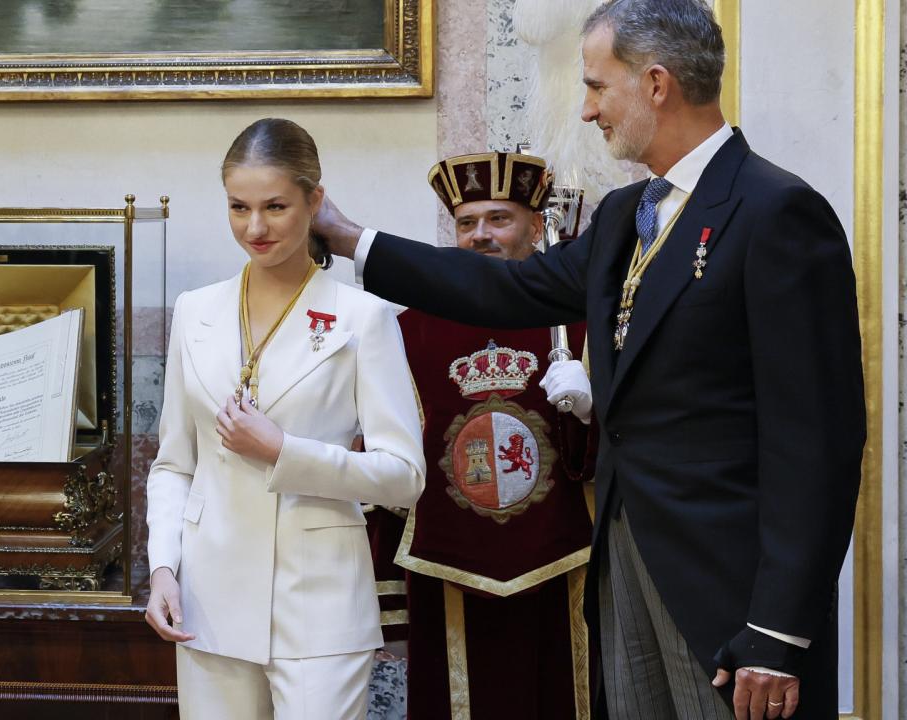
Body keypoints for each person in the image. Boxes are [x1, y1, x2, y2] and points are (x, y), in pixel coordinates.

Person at [312, 1, 866, 718]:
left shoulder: (775, 211)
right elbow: (508, 289)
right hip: (626, 567)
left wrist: (780, 628)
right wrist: (354, 239)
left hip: (729, 595)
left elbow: (818, 441)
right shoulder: (625, 215)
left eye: (598, 87)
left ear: (657, 84)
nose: (585, 111)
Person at [144, 117, 426, 720]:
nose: (255, 227)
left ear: (314, 200)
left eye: (275, 206)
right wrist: (163, 567)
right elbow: (173, 463)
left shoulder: (363, 318)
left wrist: (284, 451)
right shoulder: (194, 312)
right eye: (238, 207)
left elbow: (404, 476)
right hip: (207, 601)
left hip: (318, 602)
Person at [392, 151, 598, 719]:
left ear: (537, 227)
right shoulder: (407, 332)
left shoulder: (582, 324)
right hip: (447, 567)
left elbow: (634, 448)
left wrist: (591, 412)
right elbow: (388, 465)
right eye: (466, 222)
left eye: (498, 219)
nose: (479, 235)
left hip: (563, 566)